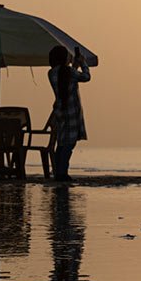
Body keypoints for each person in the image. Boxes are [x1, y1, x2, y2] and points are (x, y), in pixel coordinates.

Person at [48, 43, 90, 182]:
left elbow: (65, 78)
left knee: (62, 143)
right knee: (69, 144)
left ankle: (59, 171)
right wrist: (83, 63)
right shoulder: (69, 72)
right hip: (72, 111)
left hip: (60, 111)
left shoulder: (52, 73)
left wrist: (73, 67)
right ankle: (62, 172)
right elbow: (86, 77)